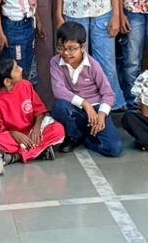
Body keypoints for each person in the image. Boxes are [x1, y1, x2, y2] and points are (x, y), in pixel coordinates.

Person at [48, 22, 123, 157]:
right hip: (76, 109)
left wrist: (101, 115)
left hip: (96, 111)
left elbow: (108, 93)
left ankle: (87, 139)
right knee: (60, 106)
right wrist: (85, 104)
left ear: (82, 47)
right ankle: (74, 136)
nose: (66, 53)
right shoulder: (55, 62)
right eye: (61, 48)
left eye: (72, 49)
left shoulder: (93, 65)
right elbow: (58, 91)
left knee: (114, 148)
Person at [0, 53, 65, 164]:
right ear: (7, 81)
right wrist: (15, 134)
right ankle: (38, 151)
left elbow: (40, 111)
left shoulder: (26, 85)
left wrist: (36, 128)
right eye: (16, 68)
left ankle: (17, 156)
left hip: (33, 132)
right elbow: (0, 130)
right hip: (15, 138)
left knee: (58, 129)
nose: (21, 68)